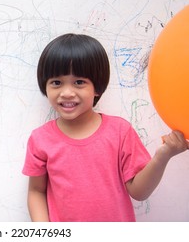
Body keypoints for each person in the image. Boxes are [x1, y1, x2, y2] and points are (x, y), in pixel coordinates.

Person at [22, 33, 189, 222]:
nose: (67, 92)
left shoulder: (119, 131)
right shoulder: (40, 139)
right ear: (45, 86)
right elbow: (36, 191)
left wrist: (163, 155)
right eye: (56, 83)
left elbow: (139, 192)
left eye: (79, 82)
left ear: (97, 87)